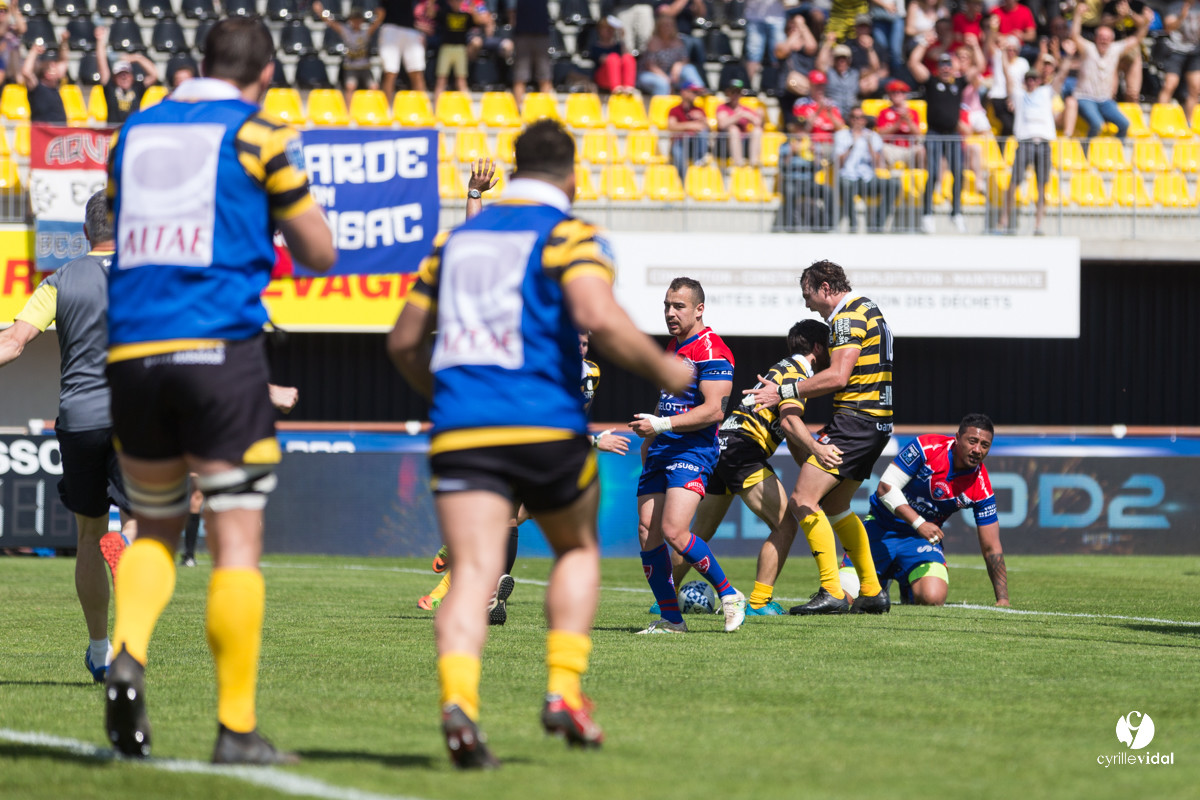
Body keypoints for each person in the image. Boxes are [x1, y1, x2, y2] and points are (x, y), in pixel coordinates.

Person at [388, 119, 691, 767]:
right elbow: (595, 313)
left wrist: (443, 395)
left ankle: (460, 707)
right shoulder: (570, 235)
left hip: (463, 427)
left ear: (514, 167)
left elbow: (403, 342)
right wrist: (664, 369)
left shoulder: (455, 240)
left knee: (473, 571)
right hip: (541, 424)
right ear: (572, 175)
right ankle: (562, 690)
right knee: (577, 550)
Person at [101, 17, 336, 764]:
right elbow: (318, 251)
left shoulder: (134, 134)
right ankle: (236, 729)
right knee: (235, 538)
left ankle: (127, 653)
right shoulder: (261, 135)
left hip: (133, 349)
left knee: (154, 521)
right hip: (219, 348)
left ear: (200, 62)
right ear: (264, 73)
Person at [0, 191, 137, 684]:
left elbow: (13, 344)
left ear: (84, 234)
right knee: (144, 523)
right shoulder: (144, 277)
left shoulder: (58, 280)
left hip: (79, 419)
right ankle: (129, 637)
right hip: (133, 416)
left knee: (86, 535)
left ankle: (99, 651)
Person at [653, 320, 840, 616]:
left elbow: (787, 428)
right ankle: (759, 602)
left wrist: (806, 467)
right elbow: (791, 422)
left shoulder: (780, 368)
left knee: (697, 533)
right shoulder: (796, 376)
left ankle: (663, 597)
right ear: (819, 348)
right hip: (743, 450)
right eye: (831, 347)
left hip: (723, 446)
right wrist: (818, 449)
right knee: (785, 524)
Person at [742, 260, 891, 616]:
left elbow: (839, 376)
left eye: (808, 295)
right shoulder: (870, 308)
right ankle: (871, 590)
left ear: (826, 287)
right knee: (837, 506)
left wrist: (784, 390)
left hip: (856, 419)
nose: (807, 305)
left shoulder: (845, 317)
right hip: (878, 423)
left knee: (802, 499)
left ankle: (832, 590)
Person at [630, 277, 746, 635]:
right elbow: (669, 400)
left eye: (678, 306)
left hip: (693, 449)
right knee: (648, 532)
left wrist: (661, 424)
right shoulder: (673, 347)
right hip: (663, 447)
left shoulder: (713, 350)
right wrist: (652, 431)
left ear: (699, 309)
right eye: (667, 305)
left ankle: (730, 594)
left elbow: (714, 411)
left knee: (674, 531)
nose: (670, 313)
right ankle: (672, 620)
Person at [841, 414, 1008, 607]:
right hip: (880, 529)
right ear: (957, 437)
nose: (977, 449)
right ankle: (881, 580)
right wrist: (919, 523)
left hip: (918, 541)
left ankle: (908, 586)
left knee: (933, 597)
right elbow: (885, 487)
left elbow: (991, 547)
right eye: (972, 441)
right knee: (844, 597)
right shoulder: (926, 446)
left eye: (984, 445)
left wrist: (1002, 599)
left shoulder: (981, 488)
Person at [998, 59, 1070, 235]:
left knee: (1041, 186)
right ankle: (1004, 220)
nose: (1031, 82)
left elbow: (1061, 77)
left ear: (1039, 81)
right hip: (1025, 142)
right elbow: (1007, 78)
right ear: (1025, 81)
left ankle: (1039, 224)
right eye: (1028, 79)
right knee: (1014, 182)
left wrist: (1067, 57)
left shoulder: (1046, 93)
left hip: (1044, 143)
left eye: (1034, 79)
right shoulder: (1019, 95)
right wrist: (1002, 58)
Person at [1068, 0, 1149, 141]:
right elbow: (1074, 35)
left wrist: (1146, 22)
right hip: (1085, 98)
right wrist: (1077, 15)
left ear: (1112, 40)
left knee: (1124, 124)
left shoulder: (1114, 50)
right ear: (1096, 39)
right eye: (1101, 38)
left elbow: (1137, 38)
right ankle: (1086, 154)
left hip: (1104, 100)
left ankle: (1117, 153)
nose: (1104, 41)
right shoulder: (1088, 49)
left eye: (1107, 38)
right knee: (1096, 124)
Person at [908, 47, 966, 233]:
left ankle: (956, 212)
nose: (946, 67)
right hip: (934, 133)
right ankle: (927, 214)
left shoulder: (958, 83)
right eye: (942, 64)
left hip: (952, 134)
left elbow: (978, 67)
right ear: (938, 67)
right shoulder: (931, 82)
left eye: (949, 64)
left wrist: (972, 47)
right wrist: (924, 43)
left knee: (958, 172)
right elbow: (913, 63)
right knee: (932, 173)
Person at [834, 106, 901, 232]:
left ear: (864, 120)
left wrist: (869, 144)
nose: (857, 121)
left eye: (860, 118)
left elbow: (878, 164)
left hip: (867, 178)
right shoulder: (841, 135)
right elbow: (839, 163)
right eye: (854, 117)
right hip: (849, 177)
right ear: (849, 119)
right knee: (844, 183)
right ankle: (853, 225)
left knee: (894, 184)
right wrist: (852, 144)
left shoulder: (873, 136)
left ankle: (877, 224)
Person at [313, 2, 385, 107]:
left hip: (365, 67)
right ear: (350, 20)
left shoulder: (365, 32)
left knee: (374, 87)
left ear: (361, 21)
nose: (356, 22)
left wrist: (381, 12)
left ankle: (372, 108)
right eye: (354, 19)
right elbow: (331, 23)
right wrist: (320, 12)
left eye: (358, 19)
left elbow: (377, 23)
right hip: (351, 67)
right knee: (350, 86)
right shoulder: (347, 32)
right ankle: (348, 111)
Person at [775, 118, 832, 230]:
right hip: (792, 180)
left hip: (808, 181)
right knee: (790, 192)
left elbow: (818, 168)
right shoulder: (786, 145)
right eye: (798, 127)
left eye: (803, 127)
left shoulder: (812, 145)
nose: (801, 130)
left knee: (828, 192)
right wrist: (791, 152)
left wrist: (815, 154)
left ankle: (828, 224)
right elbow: (783, 167)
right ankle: (790, 225)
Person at [96, 28, 160, 126]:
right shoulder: (110, 88)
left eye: (126, 74)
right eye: (120, 75)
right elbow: (102, 63)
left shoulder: (137, 88)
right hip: (114, 131)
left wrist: (137, 58)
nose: (124, 77)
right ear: (114, 77)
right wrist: (100, 40)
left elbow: (154, 74)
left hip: (132, 130)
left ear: (132, 76)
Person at [637, 14, 705, 96]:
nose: (667, 28)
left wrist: (679, 65)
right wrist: (666, 79)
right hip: (651, 75)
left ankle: (699, 90)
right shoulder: (653, 42)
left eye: (670, 25)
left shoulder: (678, 41)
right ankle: (662, 107)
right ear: (658, 27)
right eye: (664, 25)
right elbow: (651, 66)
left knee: (689, 69)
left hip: (672, 75)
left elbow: (685, 59)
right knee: (662, 84)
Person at [1159, 0, 1200, 120]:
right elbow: (1168, 27)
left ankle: (1189, 123)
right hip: (1175, 50)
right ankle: (1162, 120)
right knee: (1169, 85)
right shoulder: (1175, 6)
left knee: (1196, 88)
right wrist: (1182, 16)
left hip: (1195, 51)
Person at [510, 0, 554, 106]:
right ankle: (518, 110)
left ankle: (545, 110)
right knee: (520, 76)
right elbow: (511, 11)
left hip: (541, 34)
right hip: (522, 35)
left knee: (544, 76)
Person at [378, 0, 423, 101]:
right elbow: (380, 10)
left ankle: (422, 109)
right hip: (390, 29)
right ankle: (386, 111)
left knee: (416, 71)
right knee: (390, 72)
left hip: (411, 29)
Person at [21, 33, 70, 124]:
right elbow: (26, 72)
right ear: (46, 73)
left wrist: (64, 42)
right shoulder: (37, 87)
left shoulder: (56, 87)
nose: (55, 69)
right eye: (52, 67)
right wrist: (34, 50)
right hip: (42, 132)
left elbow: (64, 61)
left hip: (60, 132)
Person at [667, 80, 711, 178]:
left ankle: (700, 160)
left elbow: (707, 128)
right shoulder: (674, 110)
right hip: (680, 143)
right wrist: (691, 125)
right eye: (693, 92)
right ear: (684, 92)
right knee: (678, 154)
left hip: (696, 143)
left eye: (696, 92)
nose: (695, 95)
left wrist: (702, 120)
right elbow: (671, 127)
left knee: (703, 133)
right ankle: (684, 182)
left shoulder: (699, 110)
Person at [716, 78, 764, 167]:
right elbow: (722, 124)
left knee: (757, 130)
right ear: (728, 93)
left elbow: (758, 122)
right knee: (733, 129)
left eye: (738, 92)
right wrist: (738, 116)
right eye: (733, 92)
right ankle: (738, 163)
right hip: (725, 145)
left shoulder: (746, 109)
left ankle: (754, 162)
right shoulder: (722, 108)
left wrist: (753, 116)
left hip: (744, 143)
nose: (735, 95)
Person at [875, 79, 921, 167]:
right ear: (889, 95)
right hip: (890, 147)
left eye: (901, 92)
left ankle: (923, 179)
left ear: (905, 95)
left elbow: (918, 134)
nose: (897, 94)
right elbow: (880, 133)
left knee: (921, 151)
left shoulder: (913, 112)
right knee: (879, 150)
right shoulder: (884, 112)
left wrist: (908, 121)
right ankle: (882, 179)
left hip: (909, 148)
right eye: (894, 92)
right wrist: (898, 123)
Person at [793, 70, 845, 143]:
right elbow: (802, 131)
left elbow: (841, 129)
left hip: (831, 145)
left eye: (822, 85)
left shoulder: (832, 104)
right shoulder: (801, 104)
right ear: (810, 85)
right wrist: (818, 109)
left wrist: (830, 114)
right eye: (817, 85)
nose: (820, 88)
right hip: (810, 145)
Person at [591, 15, 637, 94]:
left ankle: (628, 87)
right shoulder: (595, 47)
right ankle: (616, 88)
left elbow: (626, 57)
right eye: (606, 28)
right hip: (604, 77)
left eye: (611, 28)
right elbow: (603, 60)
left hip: (619, 75)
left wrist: (622, 37)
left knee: (628, 57)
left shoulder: (618, 46)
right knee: (613, 58)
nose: (609, 31)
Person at [0, 1, 28, 86]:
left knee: (15, 53)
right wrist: (9, 13)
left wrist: (14, 10)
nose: (3, 13)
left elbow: (23, 29)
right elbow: (1, 31)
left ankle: (19, 79)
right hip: (2, 60)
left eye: (5, 10)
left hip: (15, 59)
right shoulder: (4, 25)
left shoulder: (12, 25)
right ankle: (18, 79)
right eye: (0, 11)